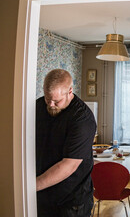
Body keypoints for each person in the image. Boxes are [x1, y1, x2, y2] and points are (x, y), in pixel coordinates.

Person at [36, 69, 96, 217]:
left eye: (56, 101)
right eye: (47, 98)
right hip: (43, 196)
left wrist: (30, 186)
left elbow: (69, 165)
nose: (50, 104)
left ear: (70, 92)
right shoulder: (38, 106)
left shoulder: (83, 118)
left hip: (72, 201)